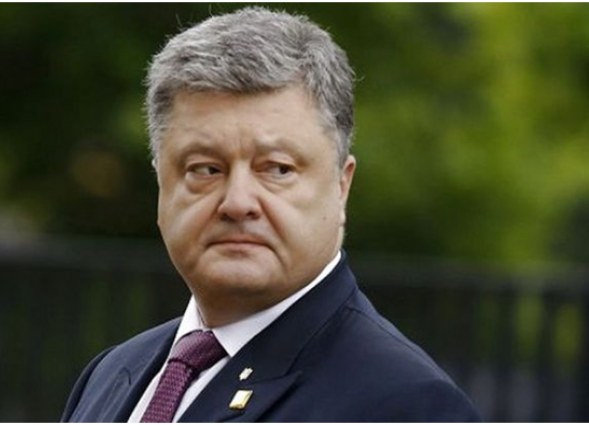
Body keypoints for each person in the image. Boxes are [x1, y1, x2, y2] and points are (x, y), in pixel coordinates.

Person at [61, 7, 480, 422]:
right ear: (162, 184)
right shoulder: (110, 375)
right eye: (206, 169)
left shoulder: (407, 404)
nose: (237, 202)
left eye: (277, 169)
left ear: (341, 186)